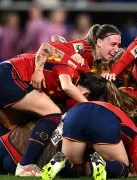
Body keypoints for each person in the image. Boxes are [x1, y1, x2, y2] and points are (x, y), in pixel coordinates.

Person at [0, 43, 90, 176]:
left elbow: (56, 39)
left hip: (8, 73)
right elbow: (45, 47)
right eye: (113, 44)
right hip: (10, 74)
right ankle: (26, 165)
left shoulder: (70, 61)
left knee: (13, 128)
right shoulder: (71, 66)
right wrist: (38, 70)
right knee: (52, 112)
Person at [41, 73, 137, 180]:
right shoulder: (126, 120)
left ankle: (62, 163)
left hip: (74, 114)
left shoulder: (77, 105)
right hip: (102, 119)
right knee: (123, 168)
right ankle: (104, 165)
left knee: (76, 168)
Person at [30, 24, 121, 90]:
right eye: (113, 44)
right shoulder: (84, 47)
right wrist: (71, 53)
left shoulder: (103, 63)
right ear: (99, 42)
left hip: (49, 84)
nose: (117, 49)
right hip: (34, 74)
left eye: (118, 45)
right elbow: (50, 46)